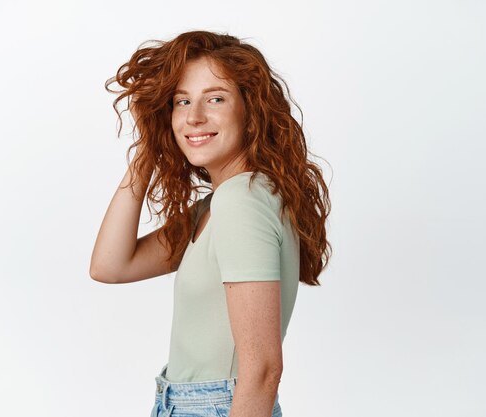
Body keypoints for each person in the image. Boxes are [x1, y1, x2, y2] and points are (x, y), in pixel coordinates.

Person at [90, 30, 332, 417]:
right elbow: (109, 266)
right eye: (181, 101)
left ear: (251, 110)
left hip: (215, 406)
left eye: (215, 98)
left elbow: (264, 369)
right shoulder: (218, 204)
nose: (194, 117)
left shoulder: (242, 200)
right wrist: (147, 153)